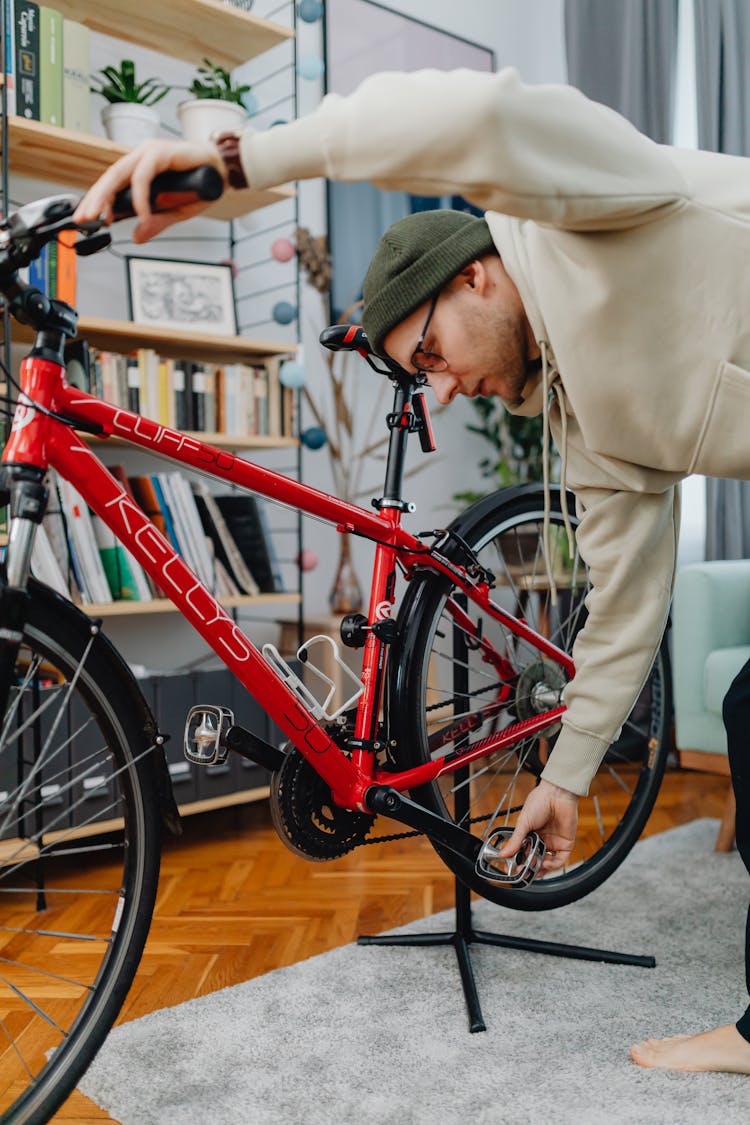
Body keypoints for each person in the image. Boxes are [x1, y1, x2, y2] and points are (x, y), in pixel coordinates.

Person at [74, 66, 750, 1074]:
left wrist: (234, 164)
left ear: (474, 273)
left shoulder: (587, 211)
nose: (446, 387)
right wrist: (565, 777)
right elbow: (626, 607)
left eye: (430, 352)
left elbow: (478, 117)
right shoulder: (586, 425)